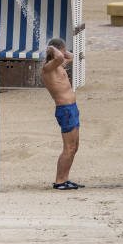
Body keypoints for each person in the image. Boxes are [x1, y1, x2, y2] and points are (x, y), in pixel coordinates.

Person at [42, 38, 82, 190]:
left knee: (75, 147)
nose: (65, 54)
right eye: (63, 50)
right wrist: (52, 49)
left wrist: (62, 51)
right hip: (65, 110)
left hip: (72, 108)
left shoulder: (59, 64)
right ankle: (59, 181)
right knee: (69, 147)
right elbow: (59, 57)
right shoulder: (48, 68)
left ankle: (65, 179)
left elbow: (71, 57)